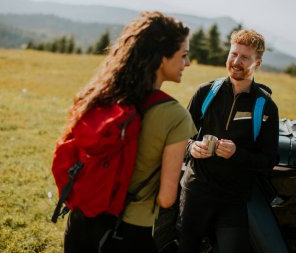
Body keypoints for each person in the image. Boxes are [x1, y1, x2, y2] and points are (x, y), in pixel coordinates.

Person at [62, 11, 197, 253]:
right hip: (129, 232)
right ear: (162, 58)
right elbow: (166, 199)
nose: (187, 63)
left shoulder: (104, 93)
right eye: (184, 55)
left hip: (82, 219)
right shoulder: (175, 116)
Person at [178, 29, 280, 253]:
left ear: (258, 63)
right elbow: (180, 139)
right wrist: (191, 147)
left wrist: (237, 154)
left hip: (233, 202)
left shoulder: (266, 107)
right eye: (233, 54)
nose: (236, 61)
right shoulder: (205, 93)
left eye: (244, 57)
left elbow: (268, 161)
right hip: (196, 193)